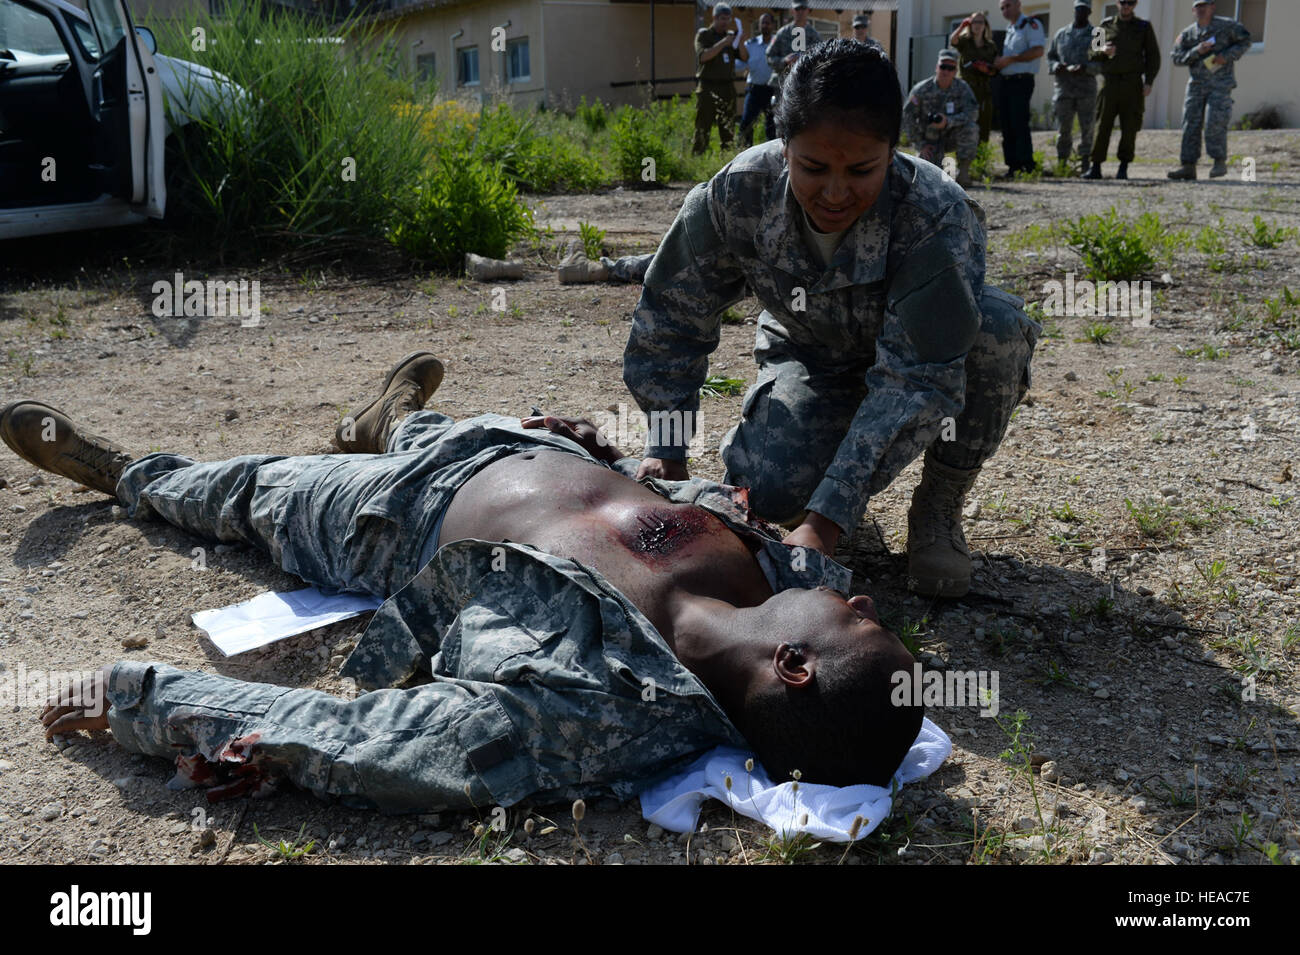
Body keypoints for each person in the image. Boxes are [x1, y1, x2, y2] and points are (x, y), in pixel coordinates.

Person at [9, 354, 923, 811]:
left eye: (863, 624)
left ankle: (127, 472)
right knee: (444, 421)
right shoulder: (777, 574)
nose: (865, 601)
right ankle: (396, 417)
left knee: (250, 491)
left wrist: (147, 697)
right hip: (527, 445)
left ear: (795, 666)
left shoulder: (592, 713)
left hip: (399, 514)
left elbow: (354, 737)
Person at [622, 39, 1041, 600]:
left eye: (861, 170)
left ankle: (938, 506)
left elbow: (917, 377)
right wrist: (667, 447)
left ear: (893, 152)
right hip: (811, 355)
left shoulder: (935, 215)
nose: (836, 192)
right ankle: (825, 470)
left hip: (911, 366)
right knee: (764, 496)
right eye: (813, 167)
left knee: (995, 329)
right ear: (783, 144)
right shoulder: (739, 191)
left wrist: (826, 524)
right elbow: (672, 315)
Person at [1168, 0, 1251, 180]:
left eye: (1205, 5)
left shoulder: (1227, 26)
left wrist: (1226, 56)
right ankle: (1188, 166)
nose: (1201, 9)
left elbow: (1246, 40)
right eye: (1198, 6)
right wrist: (1197, 51)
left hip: (1220, 83)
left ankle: (1219, 162)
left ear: (1213, 7)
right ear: (1193, 10)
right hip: (1196, 85)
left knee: (1215, 120)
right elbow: (1176, 58)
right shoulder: (1188, 34)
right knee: (1190, 123)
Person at [1085, 0, 1160, 181]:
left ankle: (1123, 167)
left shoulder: (1144, 26)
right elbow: (1090, 52)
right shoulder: (1104, 25)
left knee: (1129, 127)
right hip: (1109, 83)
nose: (1126, 6)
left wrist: (1149, 81)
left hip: (1132, 84)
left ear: (1135, 5)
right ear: (1117, 3)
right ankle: (1095, 166)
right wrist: (1103, 50)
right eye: (1122, 2)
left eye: (1130, 2)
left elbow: (1153, 56)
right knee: (1102, 125)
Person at [902, 48, 980, 188]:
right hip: (929, 138)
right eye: (943, 66)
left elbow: (973, 113)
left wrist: (948, 121)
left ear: (955, 71)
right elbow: (907, 117)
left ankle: (963, 173)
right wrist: (920, 145)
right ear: (936, 67)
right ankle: (939, 167)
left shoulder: (962, 88)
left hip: (953, 134)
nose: (946, 71)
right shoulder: (921, 89)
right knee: (929, 179)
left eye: (950, 68)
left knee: (971, 128)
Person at [992, 0, 1045, 176]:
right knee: (1006, 124)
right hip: (1005, 81)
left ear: (1018, 4)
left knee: (1019, 123)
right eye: (1002, 8)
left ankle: (1027, 165)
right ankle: (1013, 166)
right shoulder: (1010, 29)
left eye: (1008, 6)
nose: (1005, 10)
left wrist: (1011, 59)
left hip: (1021, 82)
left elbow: (1038, 51)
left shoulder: (1031, 24)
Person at [1047, 1, 1101, 173]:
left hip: (1086, 90)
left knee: (1088, 128)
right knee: (1063, 128)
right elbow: (1051, 56)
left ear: (1090, 11)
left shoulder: (1098, 34)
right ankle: (1062, 163)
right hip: (1064, 89)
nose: (1081, 12)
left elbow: (1102, 62)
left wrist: (1086, 68)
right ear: (1074, 10)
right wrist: (1056, 67)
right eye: (1078, 9)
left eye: (1084, 10)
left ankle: (1085, 163)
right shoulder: (1061, 34)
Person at [693, 3, 748, 155]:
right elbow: (703, 56)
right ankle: (698, 158)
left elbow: (744, 57)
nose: (725, 22)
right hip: (707, 87)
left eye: (728, 19)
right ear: (714, 18)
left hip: (727, 87)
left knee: (728, 128)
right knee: (703, 127)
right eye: (722, 18)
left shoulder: (730, 36)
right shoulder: (704, 35)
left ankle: (727, 160)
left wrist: (741, 42)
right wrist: (723, 43)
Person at [949, 10, 1000, 144]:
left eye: (980, 22)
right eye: (974, 22)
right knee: (965, 123)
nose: (977, 25)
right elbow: (953, 40)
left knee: (984, 123)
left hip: (983, 90)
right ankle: (964, 157)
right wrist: (961, 26)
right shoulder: (965, 41)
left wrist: (987, 69)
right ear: (970, 24)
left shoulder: (991, 45)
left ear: (985, 25)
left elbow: (995, 70)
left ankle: (981, 158)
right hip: (966, 89)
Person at [739, 12, 778, 147]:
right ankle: (744, 153)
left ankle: (772, 156)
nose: (765, 25)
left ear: (773, 25)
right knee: (746, 123)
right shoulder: (751, 44)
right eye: (762, 22)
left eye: (767, 22)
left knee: (772, 126)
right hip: (754, 89)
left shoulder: (778, 43)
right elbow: (740, 64)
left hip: (772, 90)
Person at [766, 1, 822, 87]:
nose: (800, 12)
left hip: (806, 85)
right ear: (792, 11)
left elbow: (821, 60)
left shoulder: (814, 35)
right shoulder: (782, 33)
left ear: (808, 10)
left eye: (803, 8)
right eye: (797, 9)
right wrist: (784, 61)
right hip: (783, 85)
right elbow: (769, 57)